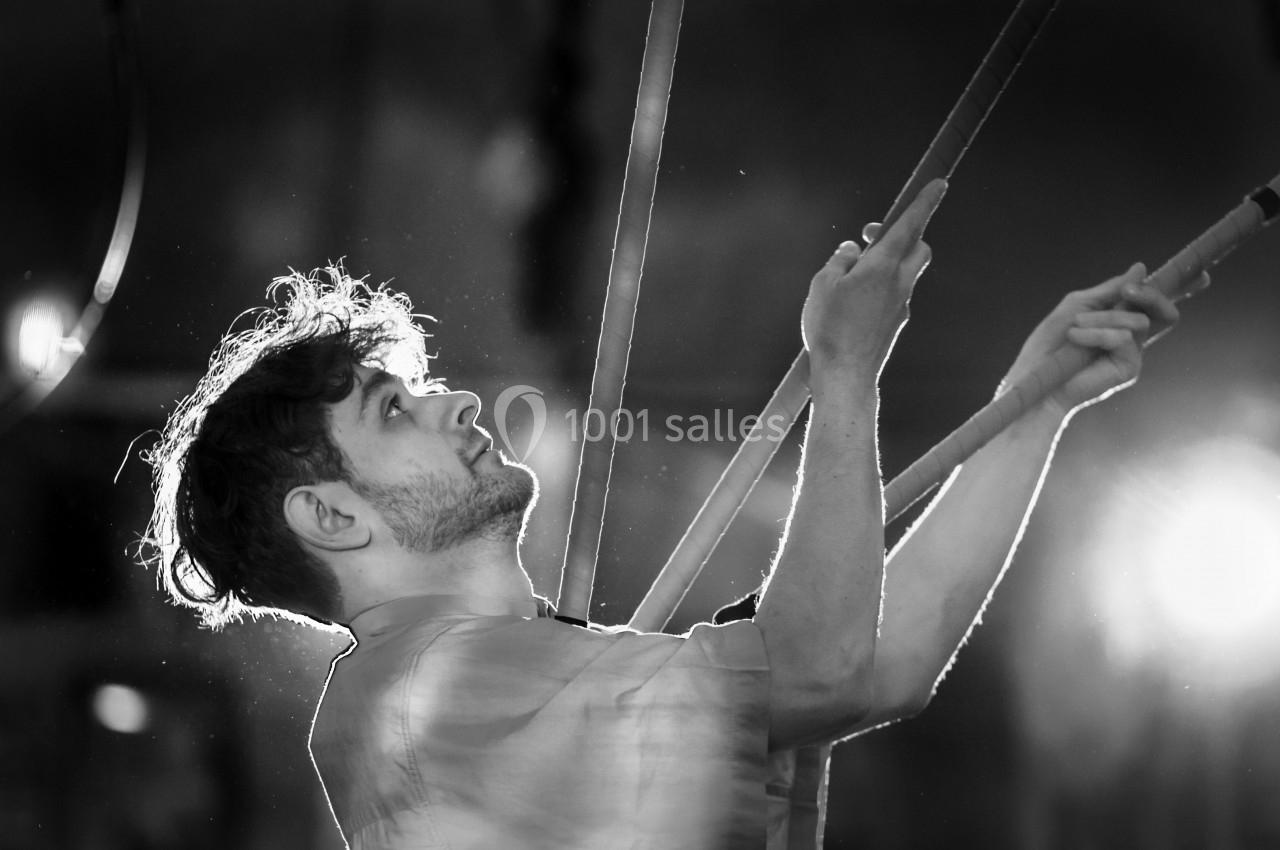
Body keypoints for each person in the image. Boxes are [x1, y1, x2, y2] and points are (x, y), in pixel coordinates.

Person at [142, 179, 1198, 849]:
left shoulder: (506, 677)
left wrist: (1030, 406)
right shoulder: (419, 693)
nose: (454, 399)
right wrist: (842, 370)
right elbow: (824, 663)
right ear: (330, 516)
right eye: (394, 410)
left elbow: (873, 664)